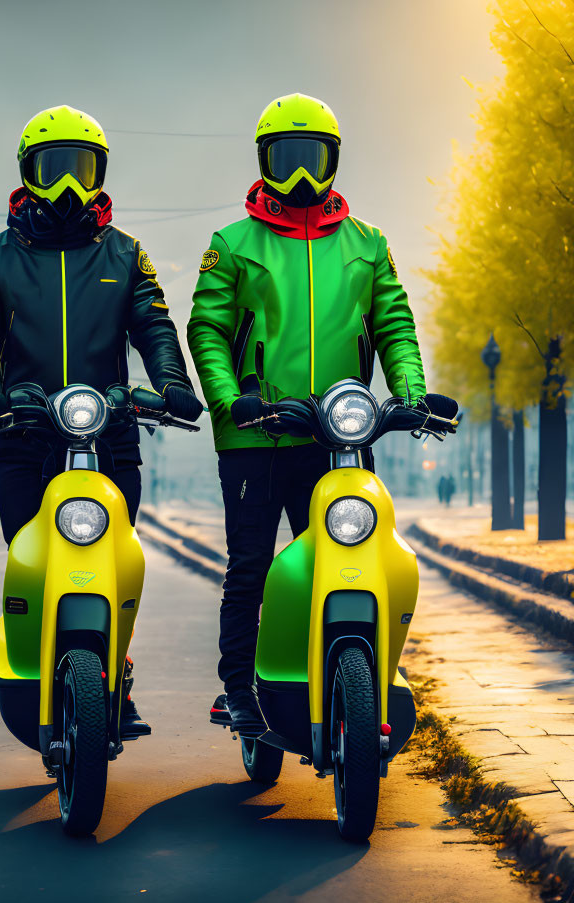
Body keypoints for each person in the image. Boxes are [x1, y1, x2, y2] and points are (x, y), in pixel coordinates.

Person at [0, 104, 203, 736]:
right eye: (52, 166)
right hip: (20, 435)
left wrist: (171, 384)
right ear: (27, 172)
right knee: (30, 557)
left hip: (112, 435)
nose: (68, 183)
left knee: (113, 560)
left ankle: (112, 668)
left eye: (82, 168)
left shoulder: (126, 254)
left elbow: (153, 325)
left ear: (100, 174)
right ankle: (26, 658)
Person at [187, 93, 427, 734]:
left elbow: (395, 323)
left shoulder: (368, 244)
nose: (299, 175)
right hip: (255, 435)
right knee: (250, 568)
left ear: (333, 161)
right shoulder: (232, 244)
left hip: (339, 437)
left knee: (349, 559)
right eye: (285, 158)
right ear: (264, 159)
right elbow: (207, 328)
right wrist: (228, 397)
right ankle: (239, 689)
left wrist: (408, 388)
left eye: (312, 157)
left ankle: (353, 678)